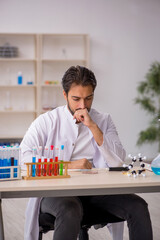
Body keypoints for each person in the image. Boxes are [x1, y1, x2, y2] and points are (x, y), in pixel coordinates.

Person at [21, 65, 153, 240]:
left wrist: (92, 126)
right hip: (56, 193)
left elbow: (118, 162)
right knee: (70, 208)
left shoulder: (103, 120)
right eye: (76, 99)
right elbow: (24, 158)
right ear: (64, 95)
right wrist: (71, 166)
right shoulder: (46, 122)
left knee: (138, 206)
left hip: (96, 192)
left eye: (88, 98)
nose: (83, 105)